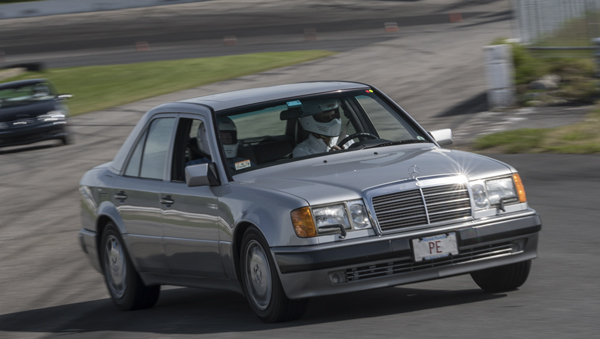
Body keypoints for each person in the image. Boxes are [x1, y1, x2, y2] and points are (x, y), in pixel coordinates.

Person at [187, 117, 254, 171]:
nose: (226, 142)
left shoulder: (244, 163)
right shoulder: (193, 167)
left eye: (228, 138)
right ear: (206, 139)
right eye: (220, 139)